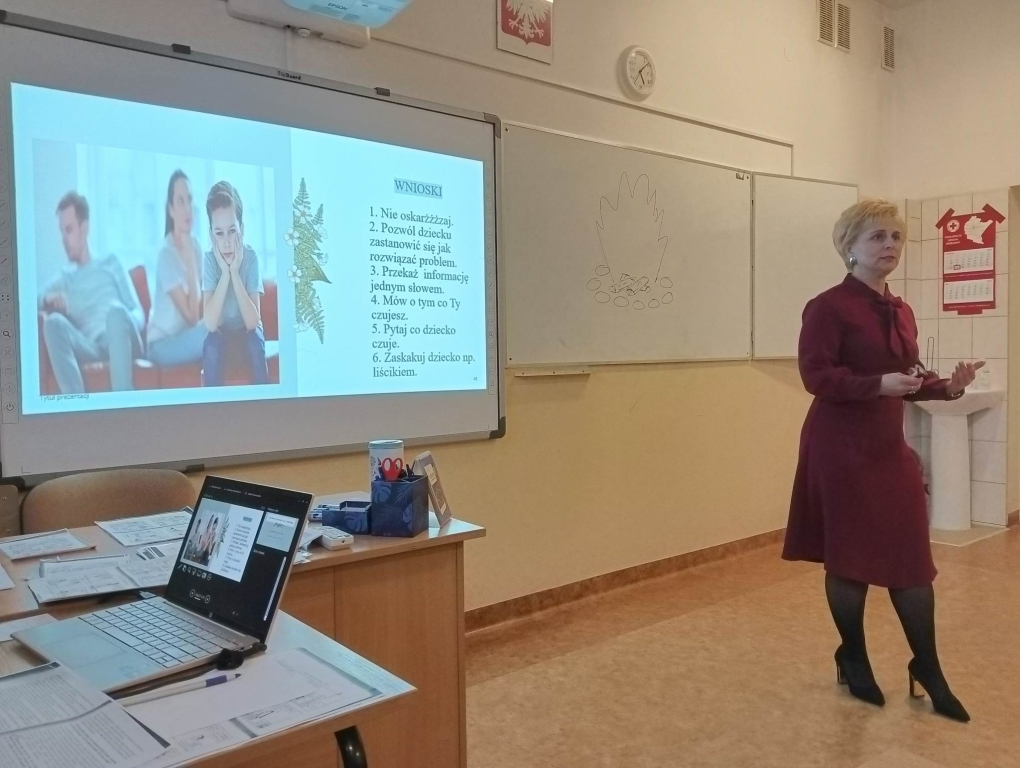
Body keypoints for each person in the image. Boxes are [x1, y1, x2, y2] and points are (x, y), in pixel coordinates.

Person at [783, 199, 982, 723]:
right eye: (877, 236)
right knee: (848, 559)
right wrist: (875, 385)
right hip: (840, 448)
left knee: (911, 560)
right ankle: (853, 655)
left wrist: (949, 387)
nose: (889, 245)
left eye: (895, 236)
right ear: (849, 246)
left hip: (887, 449)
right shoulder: (827, 307)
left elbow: (910, 378)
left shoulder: (901, 309)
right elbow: (816, 377)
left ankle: (929, 668)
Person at [40, 192, 144, 393]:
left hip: (123, 341)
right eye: (62, 232)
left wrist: (118, 322)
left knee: (115, 313)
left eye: (69, 230)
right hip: (92, 347)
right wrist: (46, 298)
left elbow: (138, 313)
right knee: (52, 323)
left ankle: (123, 403)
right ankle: (76, 405)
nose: (64, 240)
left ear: (84, 228)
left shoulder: (110, 263)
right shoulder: (66, 278)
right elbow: (26, 301)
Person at [201, 181, 268, 386]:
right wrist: (224, 273)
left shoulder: (250, 258)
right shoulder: (210, 260)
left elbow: (252, 322)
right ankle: (213, 406)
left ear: (242, 230)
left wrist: (235, 273)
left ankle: (265, 403)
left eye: (232, 231)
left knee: (255, 342)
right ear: (211, 235)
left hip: (247, 334)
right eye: (219, 234)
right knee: (210, 345)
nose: (227, 242)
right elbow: (211, 324)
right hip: (222, 335)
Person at [147, 171, 207, 367]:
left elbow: (203, 306)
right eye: (180, 202)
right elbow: (192, 318)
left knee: (224, 324)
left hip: (186, 337)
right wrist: (189, 257)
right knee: (210, 332)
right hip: (162, 344)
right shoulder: (166, 255)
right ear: (171, 209)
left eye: (189, 200)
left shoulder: (196, 246)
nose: (188, 208)